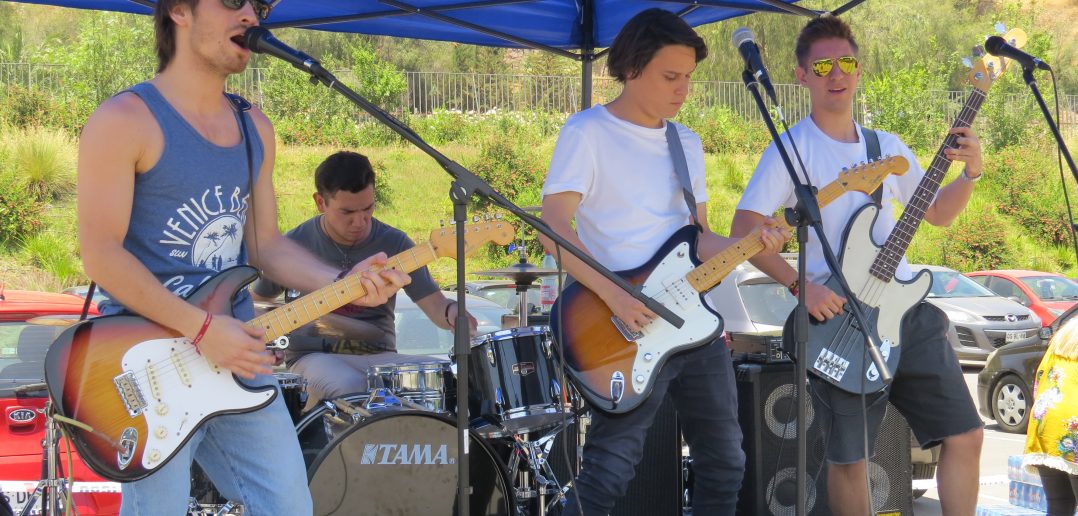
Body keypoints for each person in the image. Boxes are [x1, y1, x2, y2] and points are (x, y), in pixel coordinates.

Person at [76, 0, 410, 514]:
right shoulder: (123, 120)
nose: (253, 14)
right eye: (235, 1)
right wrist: (203, 330)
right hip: (147, 365)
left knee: (290, 506)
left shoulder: (254, 126)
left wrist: (345, 279)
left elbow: (265, 245)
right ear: (179, 10)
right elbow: (101, 255)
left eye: (262, 3)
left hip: (236, 356)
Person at [731, 16, 985, 516]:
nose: (836, 75)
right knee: (850, 460)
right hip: (838, 320)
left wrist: (971, 172)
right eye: (822, 65)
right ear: (801, 75)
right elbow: (745, 229)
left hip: (906, 311)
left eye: (846, 64)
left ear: (859, 70)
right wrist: (800, 286)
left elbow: (937, 213)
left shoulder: (886, 147)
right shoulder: (792, 149)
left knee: (967, 435)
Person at [540, 8, 788, 514]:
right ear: (632, 67)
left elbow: (698, 240)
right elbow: (554, 229)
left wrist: (753, 243)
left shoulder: (686, 143)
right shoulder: (588, 132)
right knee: (609, 472)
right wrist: (616, 295)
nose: (683, 90)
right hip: (619, 323)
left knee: (726, 464)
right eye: (671, 76)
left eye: (689, 78)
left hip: (693, 325)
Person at [251, 150, 477, 406]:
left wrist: (453, 313)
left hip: (381, 358)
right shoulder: (293, 245)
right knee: (350, 386)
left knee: (453, 379)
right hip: (312, 357)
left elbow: (435, 305)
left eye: (367, 208)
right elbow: (255, 304)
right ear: (320, 202)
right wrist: (268, 342)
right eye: (347, 212)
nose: (360, 221)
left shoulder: (395, 243)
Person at [1024, 316, 1078, 515]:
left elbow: (1039, 380)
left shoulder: (1064, 338)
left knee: (1058, 505)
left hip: (1046, 420)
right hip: (1073, 423)